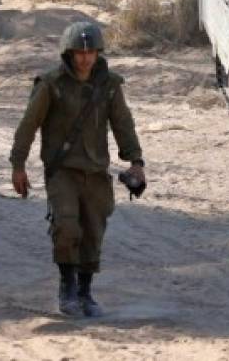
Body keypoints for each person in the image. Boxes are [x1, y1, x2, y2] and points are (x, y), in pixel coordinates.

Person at [9, 22, 145, 318]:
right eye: (79, 52)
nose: (85, 58)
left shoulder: (109, 85)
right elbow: (28, 126)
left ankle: (85, 291)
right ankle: (67, 287)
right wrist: (18, 165)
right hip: (63, 172)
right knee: (67, 226)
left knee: (94, 231)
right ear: (68, 53)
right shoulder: (51, 84)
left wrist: (136, 161)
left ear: (98, 53)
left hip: (96, 172)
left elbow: (123, 124)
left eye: (90, 52)